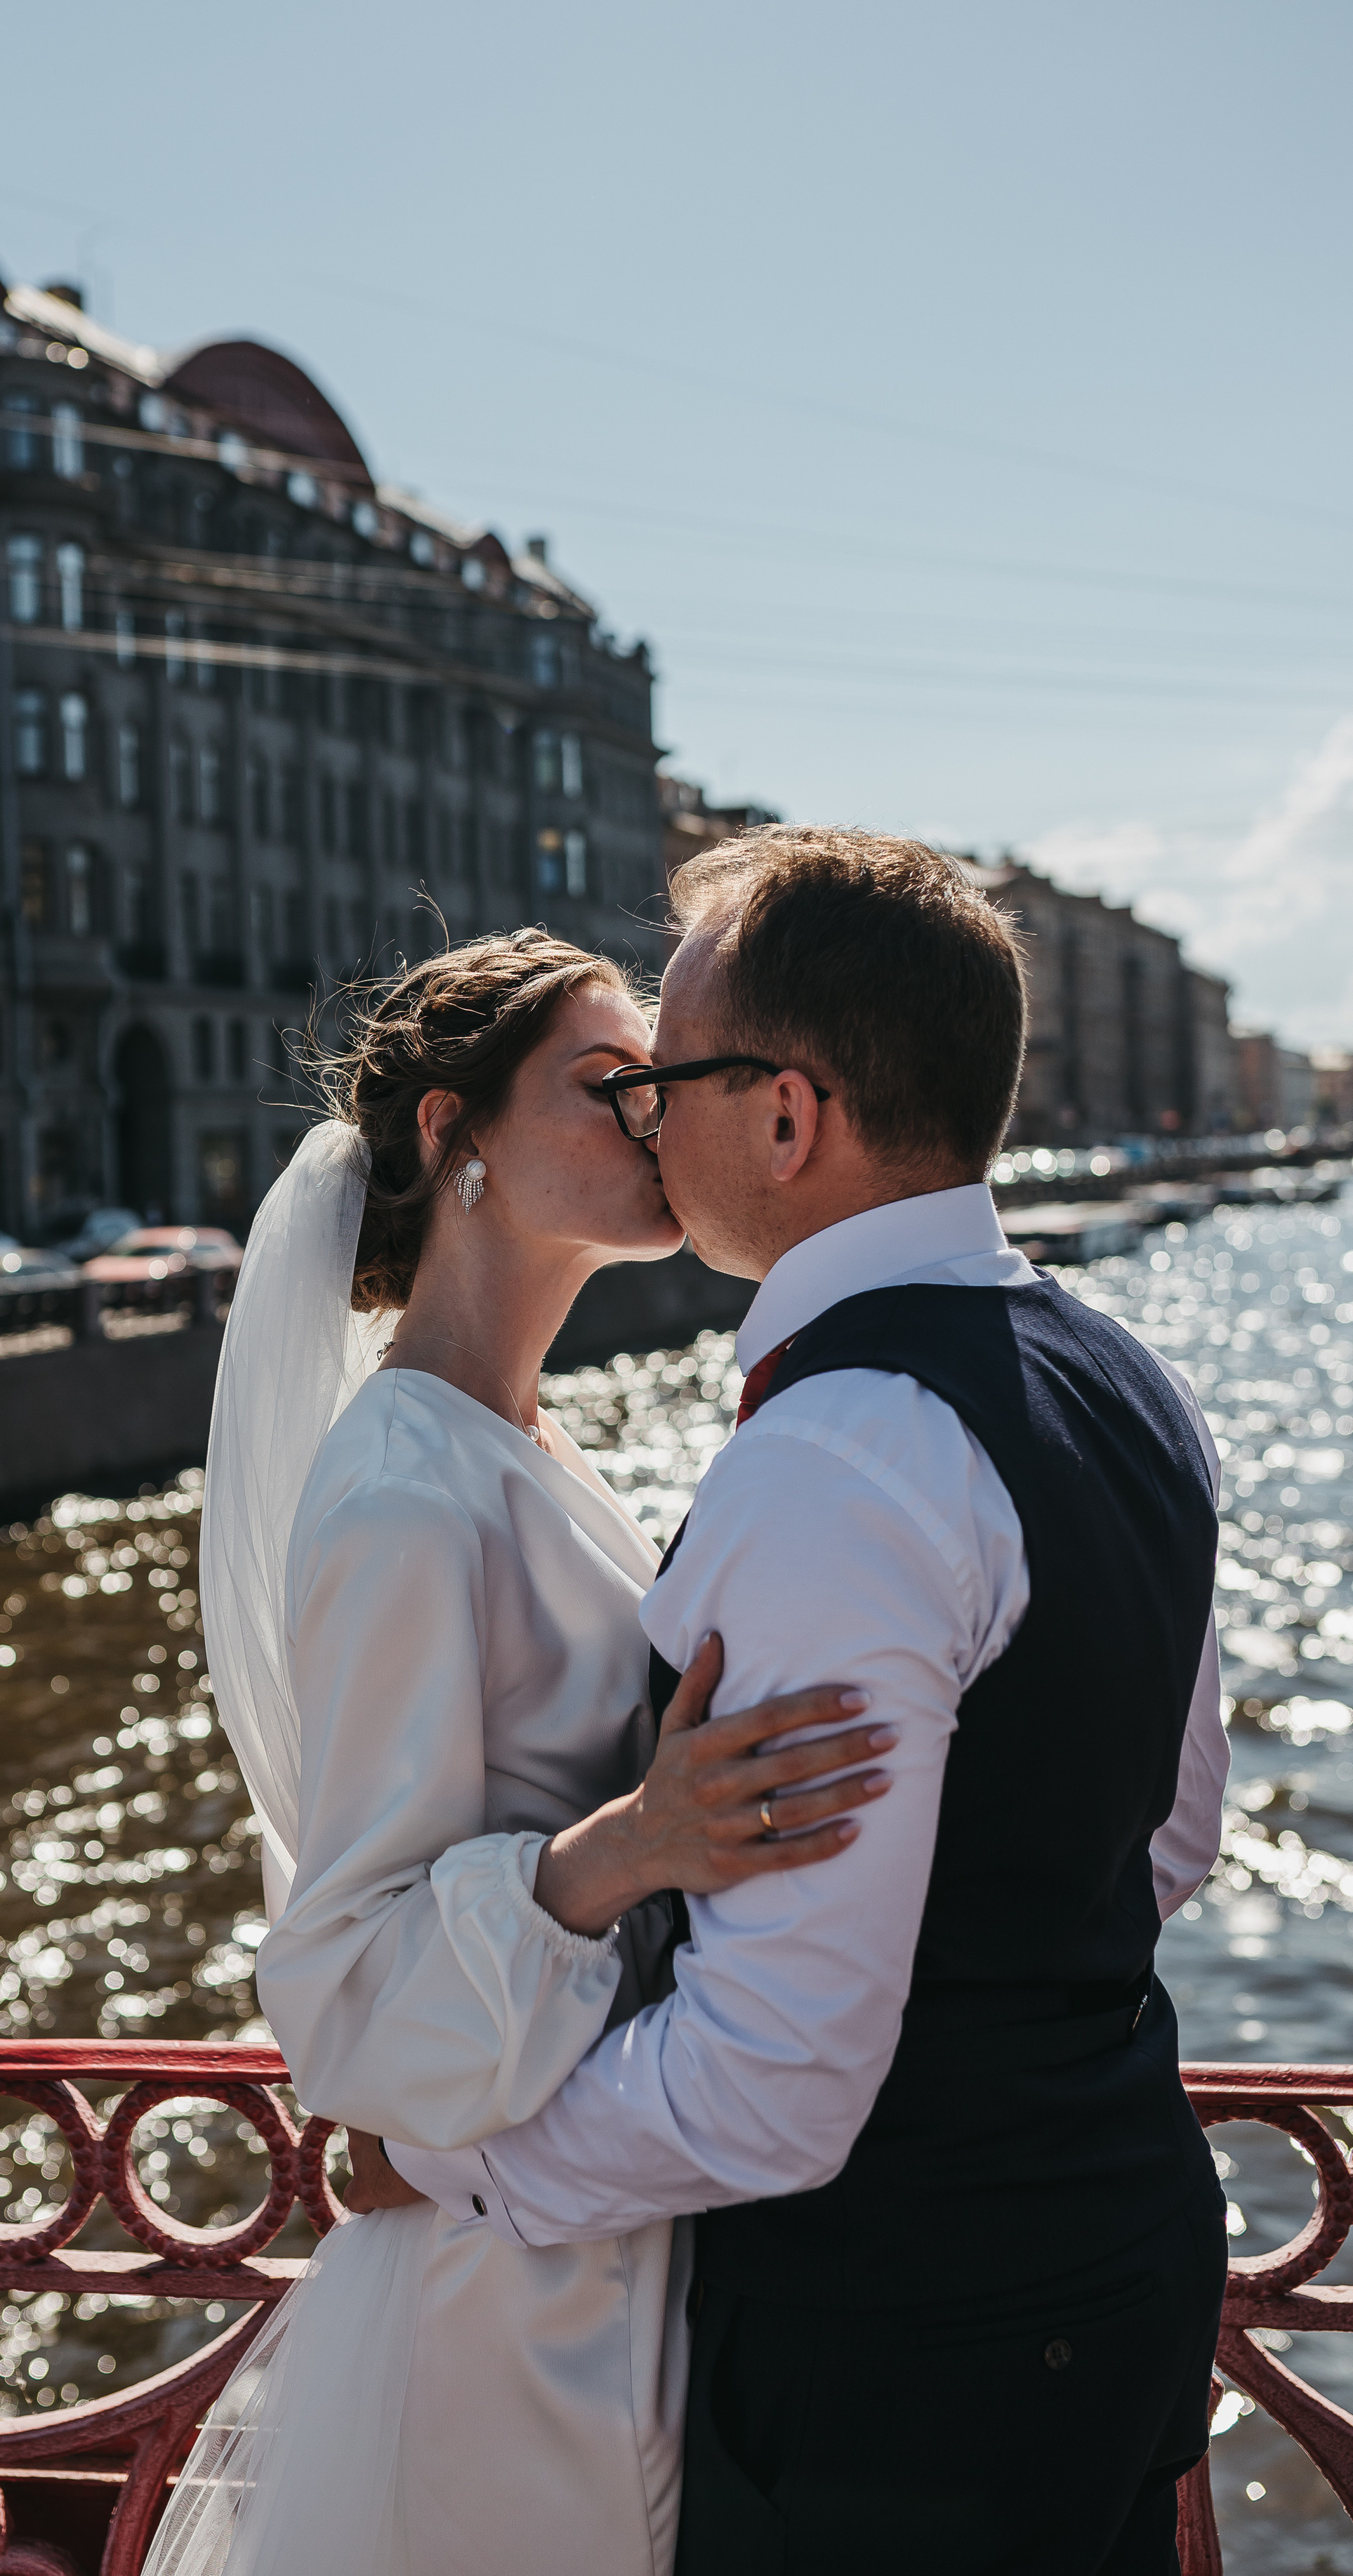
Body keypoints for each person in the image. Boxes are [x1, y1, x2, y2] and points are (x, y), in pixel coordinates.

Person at [369, 830, 1231, 2575]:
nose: (644, 1123)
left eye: (666, 1080)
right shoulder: (1117, 1372)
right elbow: (1173, 1834)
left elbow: (772, 2091)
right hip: (1122, 2262)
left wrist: (455, 2166)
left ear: (781, 1116)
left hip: (908, 2372)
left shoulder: (837, 1454)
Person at [146, 931, 890, 2576]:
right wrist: (632, 1844)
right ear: (447, 1133)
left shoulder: (519, 1444)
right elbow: (341, 1978)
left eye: (653, 1087)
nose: (647, 1121)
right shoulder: (408, 1490)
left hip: (603, 2232)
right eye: (599, 1085)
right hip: (503, 2314)